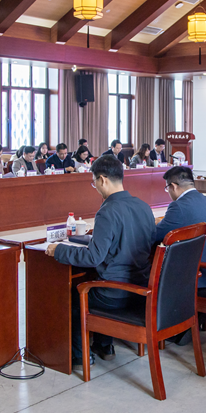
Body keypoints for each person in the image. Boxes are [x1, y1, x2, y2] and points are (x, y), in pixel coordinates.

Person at [45, 155, 156, 367]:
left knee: (73, 295)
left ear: (103, 179)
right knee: (101, 280)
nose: (95, 187)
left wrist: (59, 249)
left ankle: (79, 355)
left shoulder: (107, 211)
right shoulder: (143, 206)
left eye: (94, 182)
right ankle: (104, 346)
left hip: (114, 294)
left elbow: (93, 257)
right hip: (141, 288)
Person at [156, 166, 206, 284]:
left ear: (173, 186)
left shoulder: (178, 206)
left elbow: (155, 236)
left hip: (190, 277)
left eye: (167, 188)